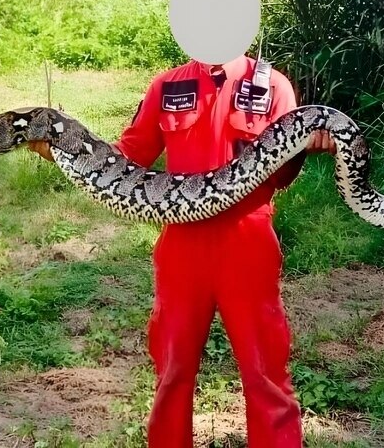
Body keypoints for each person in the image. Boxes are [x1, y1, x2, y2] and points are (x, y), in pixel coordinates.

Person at [29, 53, 334, 447]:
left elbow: (282, 175)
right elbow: (126, 158)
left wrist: (305, 146)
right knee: (172, 372)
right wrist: (61, 148)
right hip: (181, 245)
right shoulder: (167, 85)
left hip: (247, 242)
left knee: (266, 373)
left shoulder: (274, 85)